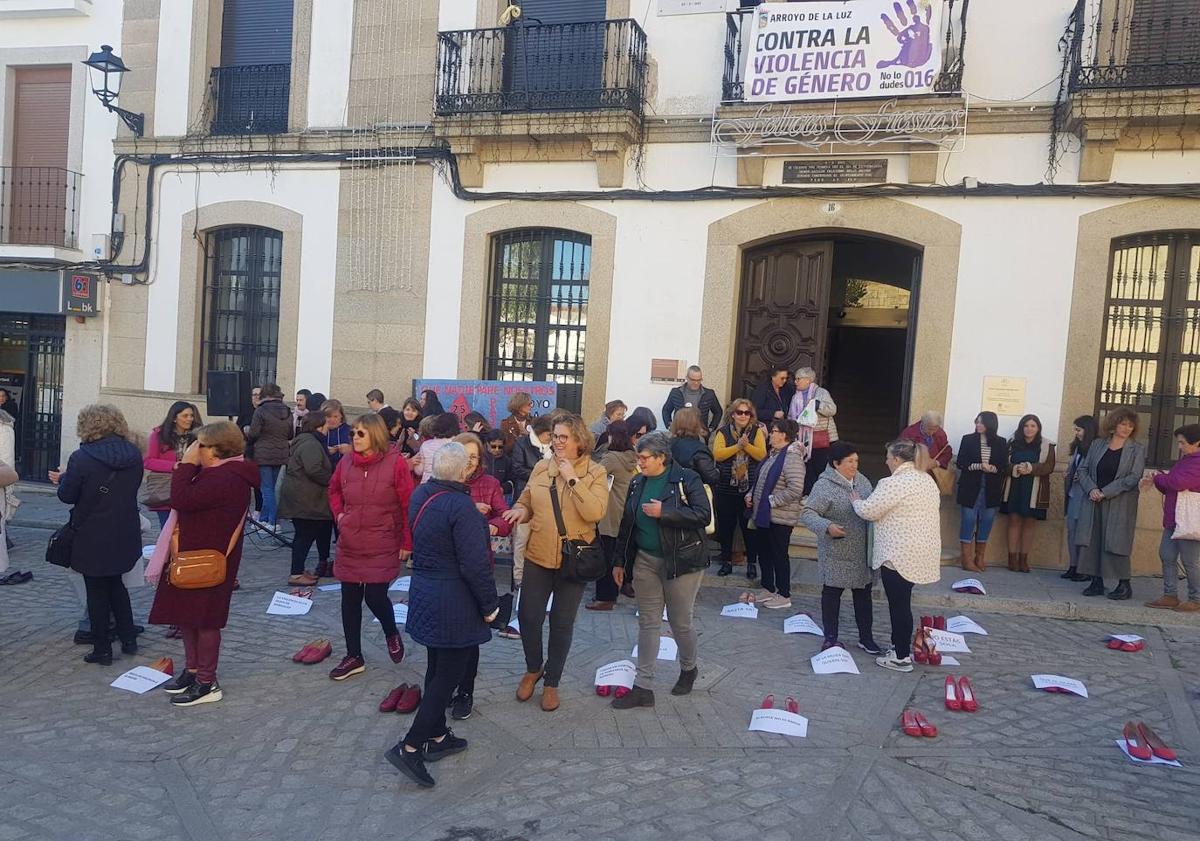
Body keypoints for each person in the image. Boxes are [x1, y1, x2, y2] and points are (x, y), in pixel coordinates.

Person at [385, 443, 499, 788]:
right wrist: (490, 606)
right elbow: (475, 565)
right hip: (454, 600)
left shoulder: (423, 496)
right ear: (464, 472)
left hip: (426, 590)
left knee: (437, 666)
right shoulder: (462, 508)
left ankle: (437, 737)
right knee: (449, 674)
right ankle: (410, 745)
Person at [502, 415, 608, 711]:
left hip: (574, 559)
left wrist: (572, 477)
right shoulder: (540, 467)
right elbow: (525, 501)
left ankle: (552, 682)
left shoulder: (595, 472)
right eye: (555, 436)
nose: (557, 442)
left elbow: (595, 512)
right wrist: (519, 512)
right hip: (538, 553)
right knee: (528, 617)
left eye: (563, 437)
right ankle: (533, 668)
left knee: (562, 624)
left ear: (579, 441)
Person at [151, 421, 260, 705]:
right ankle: (192, 669)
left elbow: (182, 498)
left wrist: (186, 466)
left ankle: (207, 682)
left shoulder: (227, 477)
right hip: (193, 555)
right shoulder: (217, 473)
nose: (194, 450)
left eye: (200, 445)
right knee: (187, 616)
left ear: (214, 449)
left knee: (205, 619)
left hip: (210, 560)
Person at [611, 431, 711, 708]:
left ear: (661, 458)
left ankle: (689, 668)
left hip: (682, 562)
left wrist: (665, 512)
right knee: (648, 622)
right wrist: (620, 561)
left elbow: (704, 515)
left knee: (680, 623)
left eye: (644, 458)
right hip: (645, 560)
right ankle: (643, 687)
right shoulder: (636, 483)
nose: (639, 462)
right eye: (638, 457)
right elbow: (626, 525)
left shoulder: (687, 478)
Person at [327, 412, 414, 679]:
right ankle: (354, 655)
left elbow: (408, 504)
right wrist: (341, 516)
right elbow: (333, 491)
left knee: (375, 596)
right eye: (353, 432)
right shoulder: (345, 462)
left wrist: (407, 541)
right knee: (349, 598)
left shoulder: (396, 463)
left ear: (375, 435)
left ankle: (390, 631)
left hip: (383, 538)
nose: (354, 437)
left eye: (360, 433)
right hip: (351, 540)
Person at [55, 405, 143, 666]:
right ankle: (129, 639)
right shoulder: (134, 454)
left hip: (91, 531)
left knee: (95, 589)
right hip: (124, 528)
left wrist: (63, 480)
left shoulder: (82, 457)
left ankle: (102, 648)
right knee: (117, 583)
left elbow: (67, 496)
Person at [852, 440, 942, 673]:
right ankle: (899, 647)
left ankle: (901, 656)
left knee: (899, 606)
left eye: (888, 457)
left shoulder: (893, 483)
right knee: (903, 602)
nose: (886, 461)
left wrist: (855, 501)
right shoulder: (927, 480)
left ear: (898, 459)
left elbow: (870, 510)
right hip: (922, 551)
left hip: (898, 553)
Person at [447, 433, 511, 718]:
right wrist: (471, 510)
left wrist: (493, 527)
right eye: (464, 456)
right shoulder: (444, 483)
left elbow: (505, 516)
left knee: (471, 635)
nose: (469, 463)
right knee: (445, 632)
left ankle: (465, 691)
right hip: (446, 566)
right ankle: (443, 686)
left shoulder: (490, 484)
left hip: (476, 565)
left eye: (473, 457)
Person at [801, 441, 881, 654]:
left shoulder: (862, 482)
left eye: (856, 461)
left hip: (861, 553)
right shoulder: (823, 485)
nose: (854, 465)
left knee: (863, 596)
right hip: (836, 551)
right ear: (836, 464)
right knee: (832, 595)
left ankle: (866, 638)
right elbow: (808, 513)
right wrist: (827, 526)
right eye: (849, 462)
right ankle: (830, 638)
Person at [1076, 408, 1146, 601]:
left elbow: (1133, 477)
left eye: (1130, 426)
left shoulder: (1137, 449)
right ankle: (1096, 580)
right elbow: (1082, 469)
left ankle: (1124, 584)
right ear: (1114, 424)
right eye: (1123, 424)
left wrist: (1106, 492)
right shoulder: (1098, 444)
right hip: (1093, 499)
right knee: (1093, 539)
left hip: (1119, 502)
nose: (1126, 429)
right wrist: (1092, 489)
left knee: (1116, 542)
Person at [748, 419, 806, 609]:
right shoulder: (772, 455)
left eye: (773, 431)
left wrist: (771, 501)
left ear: (783, 435)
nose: (770, 434)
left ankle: (784, 594)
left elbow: (796, 488)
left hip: (781, 516)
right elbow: (761, 481)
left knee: (779, 555)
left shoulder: (792, 458)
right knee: (764, 552)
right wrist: (751, 495)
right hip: (765, 515)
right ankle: (768, 588)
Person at [1143, 424, 1200, 612]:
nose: (1180, 446)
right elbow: (1171, 485)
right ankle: (1170, 595)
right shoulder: (1185, 460)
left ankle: (1196, 598)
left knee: (1190, 561)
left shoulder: (1197, 462)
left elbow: (1178, 482)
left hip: (1188, 521)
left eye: (1182, 443)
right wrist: (1160, 479)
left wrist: (1160, 478)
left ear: (1197, 443)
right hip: (1174, 518)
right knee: (1166, 555)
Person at [711, 399, 768, 579]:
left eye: (747, 413)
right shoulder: (722, 432)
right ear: (733, 414)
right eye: (740, 412)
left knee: (748, 529)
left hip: (748, 489)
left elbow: (761, 455)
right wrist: (737, 447)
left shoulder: (757, 432)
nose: (743, 416)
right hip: (725, 487)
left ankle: (751, 563)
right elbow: (718, 455)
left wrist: (746, 445)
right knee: (726, 528)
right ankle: (726, 562)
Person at [279, 412, 335, 585]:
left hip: (303, 498)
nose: (328, 427)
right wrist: (333, 480)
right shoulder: (311, 443)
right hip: (306, 500)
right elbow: (314, 470)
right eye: (326, 424)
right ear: (319, 425)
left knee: (304, 535)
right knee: (304, 537)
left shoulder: (307, 441)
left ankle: (299, 570)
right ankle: (296, 574)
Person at [588, 420, 638, 611]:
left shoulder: (611, 458)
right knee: (617, 555)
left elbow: (593, 475)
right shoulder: (630, 456)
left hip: (609, 514)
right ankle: (613, 592)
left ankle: (605, 597)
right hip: (623, 510)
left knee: (605, 557)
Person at [1000, 414, 1056, 573]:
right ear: (1021, 427)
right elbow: (1004, 464)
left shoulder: (1047, 445)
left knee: (1030, 523)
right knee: (1014, 520)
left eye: (1033, 426)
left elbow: (1049, 467)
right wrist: (1016, 468)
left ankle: (1024, 559)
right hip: (1015, 486)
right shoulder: (1012, 443)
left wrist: (1030, 468)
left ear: (1038, 428)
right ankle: (1012, 559)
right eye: (1026, 425)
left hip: (1034, 489)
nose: (1029, 429)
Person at [955, 411, 1009, 574]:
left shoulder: (1001, 442)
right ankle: (967, 559)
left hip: (991, 487)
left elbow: (1003, 466)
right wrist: (979, 466)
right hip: (971, 485)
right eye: (977, 422)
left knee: (987, 519)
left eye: (981, 423)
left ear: (990, 424)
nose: (978, 425)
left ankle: (980, 557)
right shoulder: (968, 439)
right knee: (969, 519)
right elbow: (961, 462)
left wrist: (992, 468)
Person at [509, 414, 554, 591]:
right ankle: (518, 577)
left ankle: (539, 578)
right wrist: (541, 475)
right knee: (521, 539)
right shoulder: (523, 444)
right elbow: (517, 468)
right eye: (550, 434)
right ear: (541, 432)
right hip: (525, 497)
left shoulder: (554, 448)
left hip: (547, 501)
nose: (553, 438)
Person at [143, 401, 202, 527]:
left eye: (191, 415)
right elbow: (148, 461)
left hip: (190, 488)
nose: (190, 419)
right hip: (166, 490)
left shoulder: (198, 437)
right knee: (168, 531)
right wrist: (173, 465)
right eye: (185, 416)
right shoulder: (159, 435)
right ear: (174, 418)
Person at [247, 383, 293, 528]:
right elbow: (290, 434)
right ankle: (263, 519)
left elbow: (254, 433)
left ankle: (272, 522)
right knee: (271, 488)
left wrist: (247, 432)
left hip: (264, 453)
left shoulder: (260, 410)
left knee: (266, 488)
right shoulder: (287, 410)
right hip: (281, 453)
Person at [787, 367, 838, 496]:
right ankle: (807, 496)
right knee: (806, 469)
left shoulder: (821, 392)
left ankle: (820, 496)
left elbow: (832, 410)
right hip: (802, 440)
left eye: (798, 379)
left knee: (820, 469)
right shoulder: (795, 396)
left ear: (808, 380)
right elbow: (791, 417)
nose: (795, 382)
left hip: (821, 440)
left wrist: (818, 405)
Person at [1062, 415, 1099, 582]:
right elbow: (1073, 466)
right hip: (1073, 494)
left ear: (1088, 430)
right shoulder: (1078, 448)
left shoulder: (1096, 448)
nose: (1076, 433)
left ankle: (1084, 568)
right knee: (1072, 532)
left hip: (1085, 496)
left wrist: (1082, 477)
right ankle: (1073, 565)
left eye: (1079, 429)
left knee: (1083, 534)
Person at [669, 408, 719, 488]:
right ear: (696, 424)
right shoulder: (699, 449)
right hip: (693, 492)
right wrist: (718, 472)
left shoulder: (666, 444)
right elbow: (711, 476)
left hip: (670, 492)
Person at [662, 366, 722, 431]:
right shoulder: (676, 392)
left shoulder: (709, 394)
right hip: (679, 433)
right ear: (687, 378)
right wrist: (669, 426)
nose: (696, 383)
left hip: (700, 434)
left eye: (699, 380)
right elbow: (666, 410)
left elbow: (718, 412)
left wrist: (711, 428)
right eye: (693, 380)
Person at [413, 413, 462, 484]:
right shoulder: (457, 444)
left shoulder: (426, 445)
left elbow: (419, 471)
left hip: (427, 486)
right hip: (448, 486)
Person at [318, 399, 353, 471]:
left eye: (335, 416)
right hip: (323, 471)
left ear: (341, 416)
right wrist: (324, 450)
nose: (332, 420)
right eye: (328, 416)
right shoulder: (318, 431)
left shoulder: (350, 430)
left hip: (345, 470)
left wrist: (351, 449)